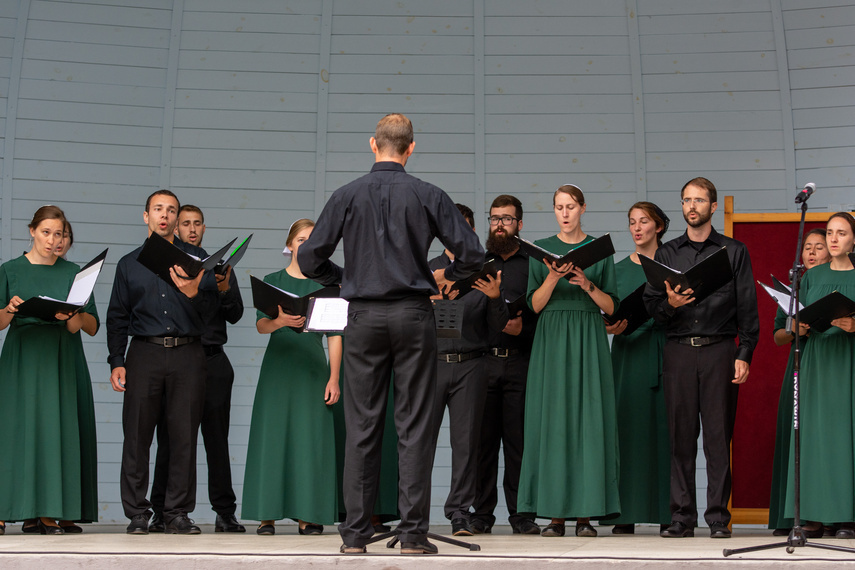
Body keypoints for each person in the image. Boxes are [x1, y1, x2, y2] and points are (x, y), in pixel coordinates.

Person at [297, 113, 484, 554]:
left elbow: (308, 261)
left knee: (361, 426)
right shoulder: (428, 194)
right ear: (411, 148)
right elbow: (474, 253)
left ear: (372, 144)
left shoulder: (346, 194)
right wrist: (446, 277)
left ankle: (356, 538)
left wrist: (346, 278)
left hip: (361, 317)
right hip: (414, 314)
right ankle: (413, 535)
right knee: (414, 425)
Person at [643, 177, 759, 539]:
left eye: (699, 200)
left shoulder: (734, 251)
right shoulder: (666, 254)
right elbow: (651, 307)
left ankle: (718, 519)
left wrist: (744, 353)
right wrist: (669, 304)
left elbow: (748, 309)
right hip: (677, 350)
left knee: (717, 437)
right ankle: (682, 518)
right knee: (680, 438)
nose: (692, 206)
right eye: (686, 200)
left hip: (720, 350)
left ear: (712, 206)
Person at [107, 190, 216, 535]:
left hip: (188, 353)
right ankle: (138, 513)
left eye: (171, 210)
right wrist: (116, 360)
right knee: (137, 436)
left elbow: (216, 314)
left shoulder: (199, 261)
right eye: (158, 209)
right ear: (146, 216)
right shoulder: (128, 264)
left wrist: (194, 292)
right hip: (144, 353)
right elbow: (116, 317)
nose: (165, 215)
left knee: (184, 436)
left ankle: (177, 513)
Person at [517, 184, 621, 538]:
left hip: (588, 335)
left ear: (583, 208)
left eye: (571, 206)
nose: (564, 213)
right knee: (553, 422)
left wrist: (585, 284)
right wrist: (552, 276)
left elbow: (611, 307)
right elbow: (534, 305)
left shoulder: (599, 252)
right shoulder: (541, 251)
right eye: (559, 207)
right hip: (551, 337)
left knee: (588, 421)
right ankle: (555, 515)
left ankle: (586, 515)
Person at [0, 206, 99, 535]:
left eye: (58, 233)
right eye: (45, 232)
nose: (52, 239)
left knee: (58, 432)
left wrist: (72, 315)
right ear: (31, 231)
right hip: (24, 358)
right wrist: (10, 309)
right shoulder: (9, 270)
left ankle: (51, 511)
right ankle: (20, 508)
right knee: (19, 432)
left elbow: (90, 327)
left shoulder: (74, 272)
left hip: (61, 358)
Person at [148, 204, 246, 533]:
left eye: (197, 223)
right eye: (185, 223)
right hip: (179, 359)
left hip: (214, 359)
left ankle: (225, 512)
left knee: (217, 439)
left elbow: (235, 314)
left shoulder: (219, 267)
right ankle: (160, 509)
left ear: (204, 228)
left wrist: (221, 287)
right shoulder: (168, 268)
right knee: (171, 438)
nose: (191, 228)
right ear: (175, 228)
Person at [242, 218, 342, 535]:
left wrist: (334, 377)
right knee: (272, 437)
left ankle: (307, 513)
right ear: (290, 245)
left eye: (313, 240)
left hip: (313, 369)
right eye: (300, 239)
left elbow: (336, 335)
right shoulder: (272, 281)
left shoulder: (328, 287)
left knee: (308, 440)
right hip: (278, 368)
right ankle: (266, 514)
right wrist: (281, 321)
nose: (306, 244)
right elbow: (261, 326)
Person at [428, 204, 509, 537]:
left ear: (472, 232)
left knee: (466, 444)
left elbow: (498, 326)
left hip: (472, 364)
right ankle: (413, 512)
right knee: (420, 441)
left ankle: (460, 512)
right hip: (430, 366)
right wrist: (427, 300)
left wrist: (494, 298)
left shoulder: (485, 268)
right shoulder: (425, 268)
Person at [471, 194, 540, 536]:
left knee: (518, 444)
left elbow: (544, 315)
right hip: (483, 363)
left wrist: (522, 328)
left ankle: (522, 515)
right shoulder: (479, 264)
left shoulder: (533, 266)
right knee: (482, 445)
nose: (499, 225)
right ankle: (482, 514)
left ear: (520, 225)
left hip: (520, 362)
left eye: (507, 219)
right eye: (495, 218)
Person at [783, 212, 855, 538]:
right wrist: (799, 327)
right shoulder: (810, 278)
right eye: (830, 233)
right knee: (813, 435)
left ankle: (846, 517)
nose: (834, 239)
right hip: (815, 360)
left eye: (841, 233)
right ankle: (811, 514)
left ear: (854, 239)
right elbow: (794, 324)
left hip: (848, 361)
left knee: (844, 436)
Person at [606, 202, 671, 534]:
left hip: (665, 351)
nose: (637, 227)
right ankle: (624, 514)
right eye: (632, 222)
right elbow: (608, 313)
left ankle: (668, 513)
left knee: (667, 432)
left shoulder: (672, 264)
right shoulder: (616, 269)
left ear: (658, 226)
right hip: (628, 353)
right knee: (627, 430)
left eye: (644, 221)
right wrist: (608, 325)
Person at [768, 228, 830, 536]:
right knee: (797, 439)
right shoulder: (795, 288)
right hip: (800, 369)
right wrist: (797, 331)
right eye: (808, 247)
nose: (813, 252)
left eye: (820, 247)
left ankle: (832, 515)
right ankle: (794, 515)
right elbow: (779, 335)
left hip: (831, 370)